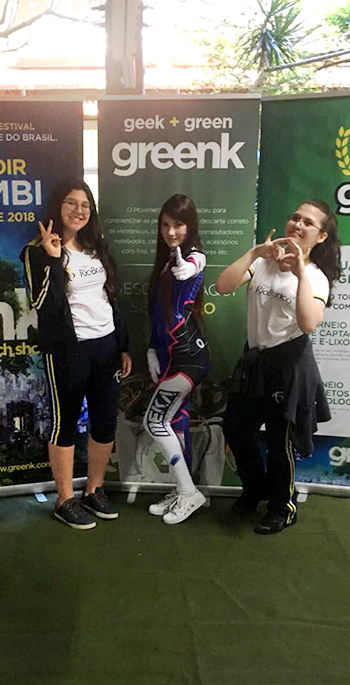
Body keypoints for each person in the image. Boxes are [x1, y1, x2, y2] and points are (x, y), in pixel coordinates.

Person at [216, 199, 341, 534]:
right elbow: (223, 286)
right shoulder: (264, 263)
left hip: (288, 368)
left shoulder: (316, 278)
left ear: (321, 237)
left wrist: (299, 272)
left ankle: (282, 507)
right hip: (254, 363)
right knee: (235, 429)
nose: (298, 225)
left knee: (278, 440)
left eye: (308, 223)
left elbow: (308, 323)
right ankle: (254, 488)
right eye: (295, 218)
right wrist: (255, 252)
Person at [20, 177, 132, 530]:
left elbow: (110, 297)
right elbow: (43, 304)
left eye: (85, 205)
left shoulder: (96, 246)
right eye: (71, 202)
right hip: (69, 350)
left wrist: (123, 345)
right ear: (58, 205)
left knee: (104, 421)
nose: (78, 210)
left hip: (106, 346)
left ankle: (94, 490)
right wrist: (54, 260)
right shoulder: (36, 251)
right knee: (65, 422)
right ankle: (65, 498)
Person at [144, 194, 210, 524]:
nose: (171, 232)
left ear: (191, 226)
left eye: (179, 224)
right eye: (165, 225)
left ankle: (189, 492)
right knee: (174, 422)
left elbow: (197, 264)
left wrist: (190, 267)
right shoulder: (167, 261)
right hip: (171, 356)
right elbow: (159, 315)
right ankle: (182, 488)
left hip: (188, 358)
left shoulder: (191, 258)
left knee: (154, 422)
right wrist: (151, 349)